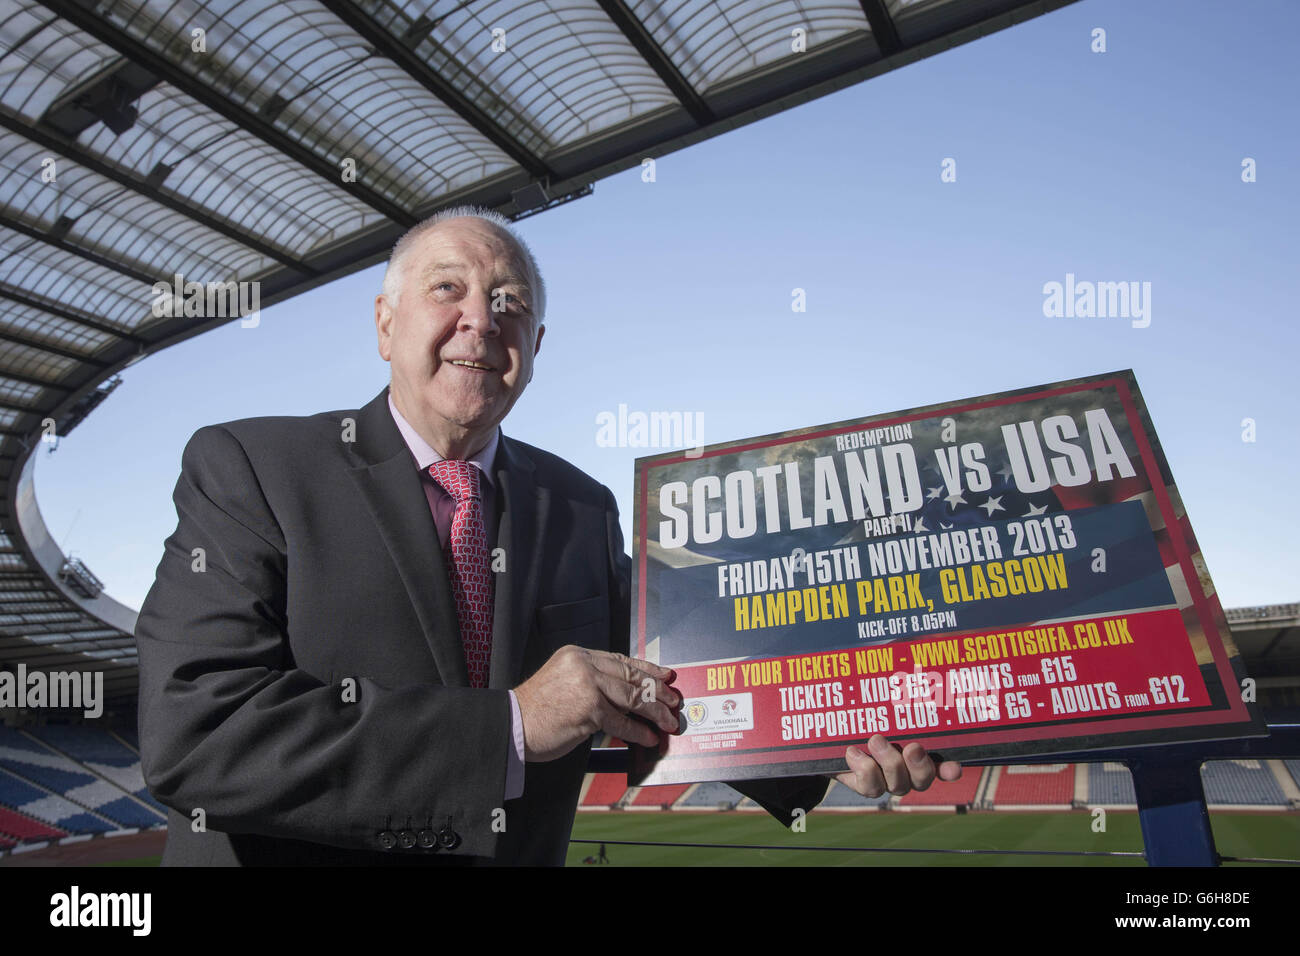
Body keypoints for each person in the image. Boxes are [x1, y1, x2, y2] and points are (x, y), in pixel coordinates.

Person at [134, 206, 959, 865]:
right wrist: (512, 727)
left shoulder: (582, 507)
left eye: (509, 304)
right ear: (385, 324)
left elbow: (678, 680)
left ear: (534, 346)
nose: (480, 321)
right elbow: (199, 731)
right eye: (446, 289)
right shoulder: (253, 466)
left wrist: (833, 728)